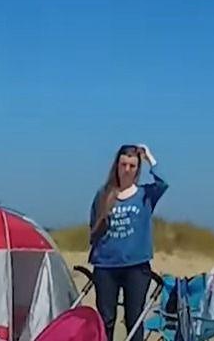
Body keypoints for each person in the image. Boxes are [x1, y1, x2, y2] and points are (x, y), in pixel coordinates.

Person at [88, 143, 168, 341]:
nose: (126, 170)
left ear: (137, 169)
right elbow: (94, 225)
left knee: (134, 319)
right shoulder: (103, 194)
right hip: (106, 266)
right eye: (123, 164)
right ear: (117, 165)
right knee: (106, 319)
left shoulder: (145, 195)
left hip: (136, 267)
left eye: (132, 166)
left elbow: (163, 182)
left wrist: (149, 157)